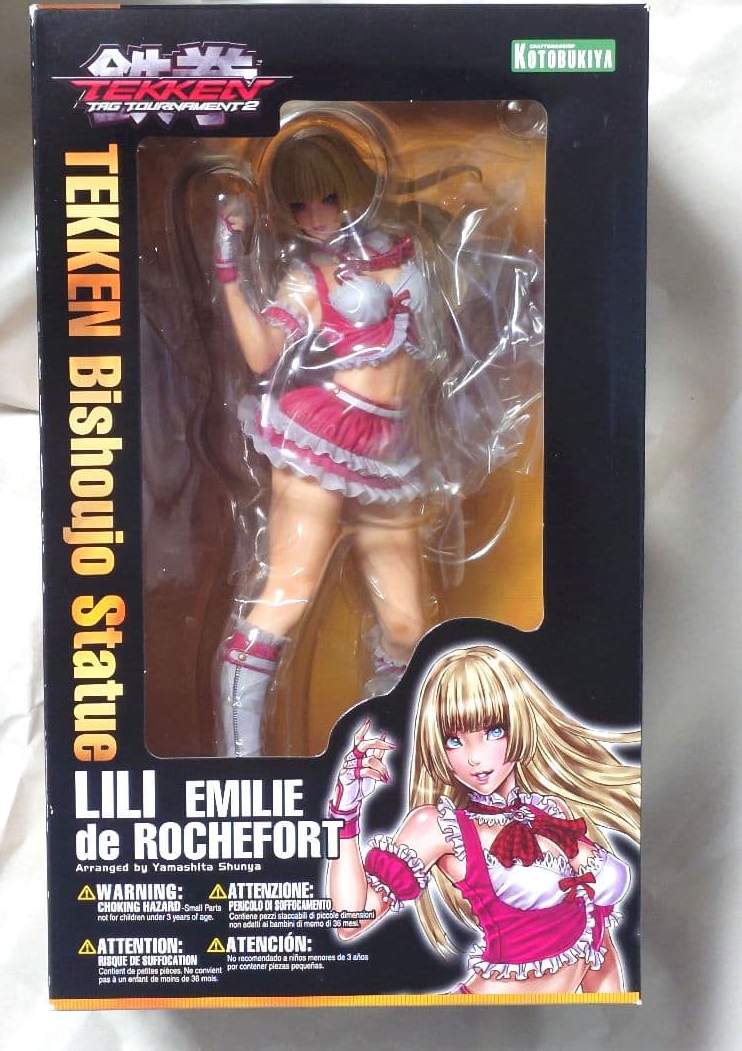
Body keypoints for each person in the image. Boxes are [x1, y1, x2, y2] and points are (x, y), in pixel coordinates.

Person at [213, 123, 437, 755]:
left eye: (329, 197)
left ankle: (381, 762)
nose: (315, 216)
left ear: (355, 189)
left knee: (408, 626)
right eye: (299, 205)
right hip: (323, 435)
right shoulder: (306, 280)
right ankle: (240, 761)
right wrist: (229, 273)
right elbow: (263, 355)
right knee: (289, 591)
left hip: (390, 448)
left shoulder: (403, 248)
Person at [325, 645, 640, 994]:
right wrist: (345, 812)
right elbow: (349, 922)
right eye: (454, 740)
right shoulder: (438, 827)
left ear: (519, 724)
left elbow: (598, 950)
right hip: (477, 1017)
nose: (474, 758)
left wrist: (611, 1017)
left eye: (493, 731)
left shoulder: (553, 812)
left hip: (551, 1021)